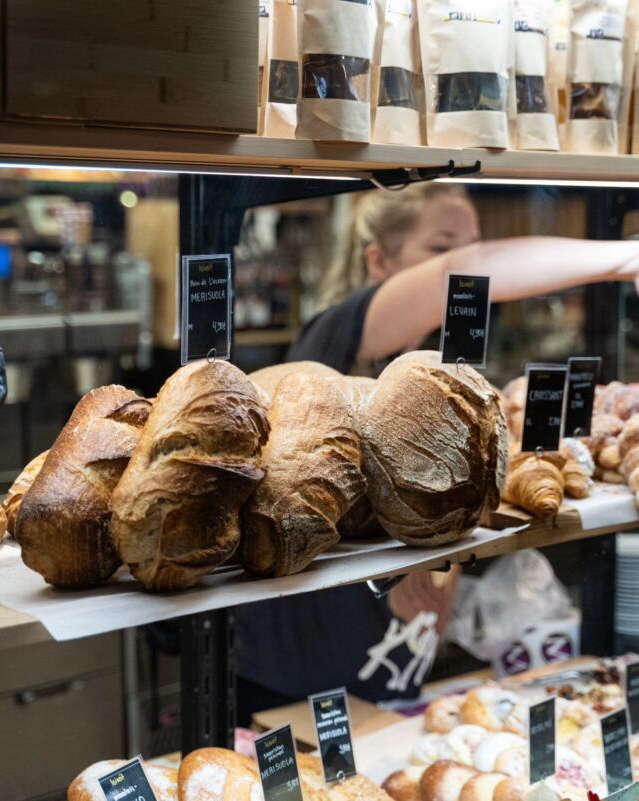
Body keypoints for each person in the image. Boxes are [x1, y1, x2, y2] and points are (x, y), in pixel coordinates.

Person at [234, 182, 639, 725]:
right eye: (441, 248)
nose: (461, 266)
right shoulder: (339, 331)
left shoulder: (437, 370)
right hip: (297, 683)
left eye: (468, 244)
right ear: (379, 261)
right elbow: (477, 267)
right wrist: (625, 256)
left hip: (397, 673)